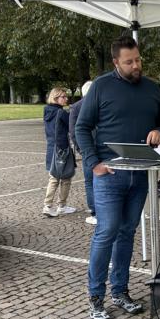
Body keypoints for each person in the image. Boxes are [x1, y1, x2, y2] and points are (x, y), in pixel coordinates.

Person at [76, 36, 160, 319]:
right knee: (106, 231)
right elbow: (82, 127)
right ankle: (96, 296)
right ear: (116, 62)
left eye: (138, 60)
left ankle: (120, 291)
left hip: (141, 174)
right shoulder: (101, 87)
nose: (136, 66)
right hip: (110, 175)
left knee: (127, 232)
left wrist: (159, 130)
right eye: (129, 62)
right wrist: (94, 164)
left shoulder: (151, 88)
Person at [42, 87, 76, 218]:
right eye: (63, 96)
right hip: (61, 147)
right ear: (56, 98)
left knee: (53, 177)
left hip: (51, 147)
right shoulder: (61, 113)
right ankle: (60, 205)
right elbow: (71, 126)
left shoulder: (47, 111)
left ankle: (48, 205)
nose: (66, 99)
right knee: (65, 178)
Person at [69, 80, 97, 225]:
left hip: (88, 150)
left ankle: (95, 212)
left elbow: (73, 132)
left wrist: (81, 150)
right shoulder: (102, 103)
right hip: (103, 148)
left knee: (90, 182)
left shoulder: (76, 107)